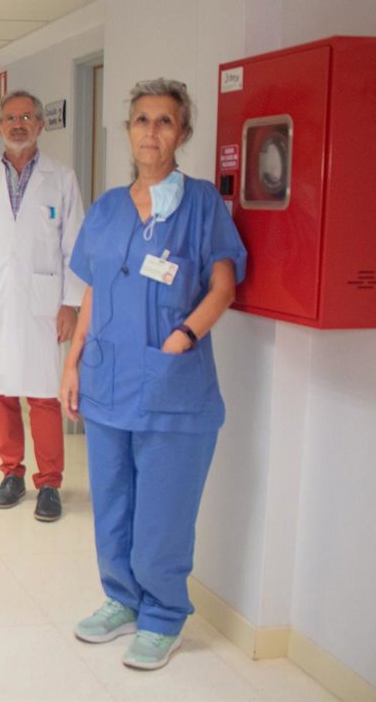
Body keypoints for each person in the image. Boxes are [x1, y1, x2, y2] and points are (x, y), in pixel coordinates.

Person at [60, 79, 246, 670]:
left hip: (172, 385)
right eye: (142, 119)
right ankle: (122, 600)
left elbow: (223, 287)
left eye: (165, 121)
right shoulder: (108, 208)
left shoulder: (202, 205)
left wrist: (183, 336)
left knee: (164, 511)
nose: (151, 131)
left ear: (182, 133)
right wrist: (72, 362)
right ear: (128, 130)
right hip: (107, 378)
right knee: (112, 501)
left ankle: (163, 617)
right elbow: (94, 289)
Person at [0, 91, 84, 523]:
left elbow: (75, 245)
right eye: (10, 118)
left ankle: (50, 482)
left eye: (26, 117)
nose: (18, 124)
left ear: (40, 125)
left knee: (43, 395)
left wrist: (71, 303)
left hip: (44, 303)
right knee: (1, 392)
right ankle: (11, 474)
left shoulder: (62, 178)